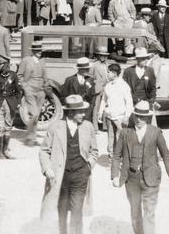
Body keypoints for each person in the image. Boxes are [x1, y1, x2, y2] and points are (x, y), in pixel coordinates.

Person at [111, 100, 169, 234]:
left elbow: (166, 154)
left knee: (149, 213)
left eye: (142, 117)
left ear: (147, 118)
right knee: (135, 214)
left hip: (151, 178)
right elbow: (116, 155)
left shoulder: (155, 132)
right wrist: (115, 175)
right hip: (131, 179)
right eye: (136, 116)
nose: (138, 119)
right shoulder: (125, 133)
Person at [39, 95, 98, 234]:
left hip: (81, 175)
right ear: (71, 112)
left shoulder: (88, 126)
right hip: (61, 177)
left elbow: (94, 151)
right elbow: (44, 150)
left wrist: (88, 166)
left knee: (77, 211)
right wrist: (47, 168)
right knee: (62, 211)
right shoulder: (55, 127)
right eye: (80, 112)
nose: (84, 114)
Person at [98, 63, 134, 159]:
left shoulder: (124, 86)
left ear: (114, 73)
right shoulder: (108, 86)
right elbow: (104, 100)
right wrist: (100, 112)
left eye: (108, 72)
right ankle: (111, 158)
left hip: (120, 118)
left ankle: (121, 159)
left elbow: (129, 103)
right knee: (111, 139)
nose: (107, 74)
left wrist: (126, 116)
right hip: (110, 117)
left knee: (120, 139)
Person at [0, 56, 21, 159]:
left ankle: (5, 151)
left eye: (0, 64)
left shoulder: (13, 75)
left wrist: (18, 102)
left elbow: (17, 90)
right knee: (0, 128)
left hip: (10, 103)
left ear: (6, 64)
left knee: (8, 127)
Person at [18, 41, 48, 145]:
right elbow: (19, 75)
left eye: (40, 50)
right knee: (34, 114)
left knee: (37, 115)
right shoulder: (26, 60)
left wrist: (45, 87)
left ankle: (33, 138)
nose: (39, 52)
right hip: (30, 89)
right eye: (37, 50)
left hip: (40, 91)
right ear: (33, 51)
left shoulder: (42, 61)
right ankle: (30, 137)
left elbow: (45, 76)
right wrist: (25, 87)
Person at [61, 57, 97, 122]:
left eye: (88, 68)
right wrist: (69, 111)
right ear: (79, 69)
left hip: (86, 112)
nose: (87, 71)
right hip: (73, 113)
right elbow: (63, 97)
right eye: (85, 69)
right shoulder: (69, 80)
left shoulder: (90, 80)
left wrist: (89, 110)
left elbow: (93, 97)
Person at [90, 46, 111, 124]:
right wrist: (97, 84)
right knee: (96, 107)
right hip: (97, 89)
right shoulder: (94, 65)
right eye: (101, 55)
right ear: (98, 56)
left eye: (105, 55)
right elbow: (90, 77)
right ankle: (95, 126)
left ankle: (105, 125)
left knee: (105, 106)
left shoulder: (107, 65)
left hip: (106, 89)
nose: (103, 57)